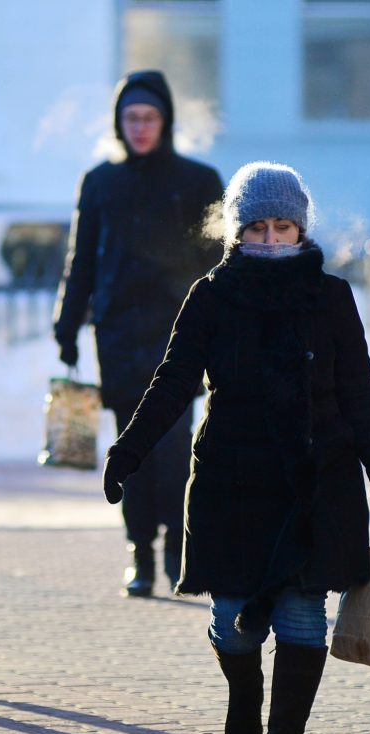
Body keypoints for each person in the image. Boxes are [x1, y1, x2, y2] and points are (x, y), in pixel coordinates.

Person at [100, 162, 370, 734]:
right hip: (233, 484)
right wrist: (127, 452)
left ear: (302, 231)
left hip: (315, 484)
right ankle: (245, 695)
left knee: (301, 618)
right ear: (236, 232)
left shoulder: (330, 297)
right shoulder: (212, 294)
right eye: (258, 228)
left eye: (283, 228)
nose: (270, 241)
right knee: (231, 621)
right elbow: (173, 382)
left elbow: (360, 396)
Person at [53, 70, 224, 598]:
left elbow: (218, 258)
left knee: (174, 447)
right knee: (132, 446)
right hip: (121, 333)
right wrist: (67, 321)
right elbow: (82, 257)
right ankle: (140, 551)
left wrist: (226, 321)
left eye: (150, 117)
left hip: (180, 331)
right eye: (131, 118)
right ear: (118, 123)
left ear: (166, 120)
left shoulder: (198, 180)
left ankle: (176, 548)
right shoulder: (101, 181)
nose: (141, 127)